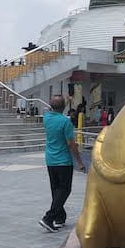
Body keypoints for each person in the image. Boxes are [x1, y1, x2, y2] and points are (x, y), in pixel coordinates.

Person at [40, 96, 85, 233]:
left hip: (50, 160)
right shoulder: (66, 122)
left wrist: (58, 103)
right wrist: (79, 162)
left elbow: (49, 109)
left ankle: (60, 218)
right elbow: (71, 144)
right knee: (64, 189)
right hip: (63, 161)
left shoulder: (46, 118)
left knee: (56, 189)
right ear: (64, 107)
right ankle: (49, 218)